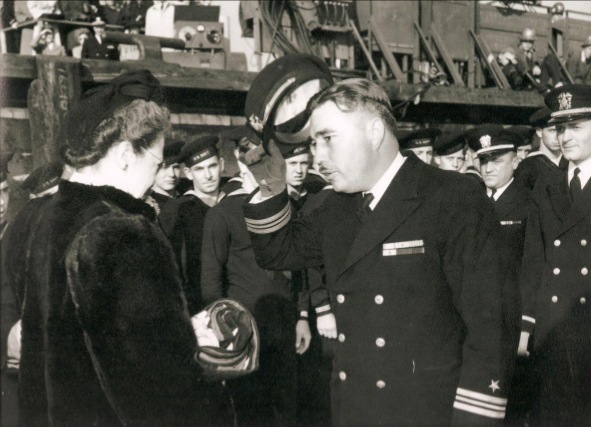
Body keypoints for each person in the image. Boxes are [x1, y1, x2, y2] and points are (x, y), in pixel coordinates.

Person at [241, 78, 508, 426]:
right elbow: (277, 253)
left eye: (328, 140)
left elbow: (491, 328)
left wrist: (475, 420)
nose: (316, 158)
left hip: (426, 413)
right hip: (354, 409)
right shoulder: (332, 207)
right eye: (313, 144)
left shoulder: (452, 197)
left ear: (375, 131)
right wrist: (271, 185)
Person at [17, 70, 231, 427]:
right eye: (158, 162)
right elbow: (164, 397)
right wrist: (195, 356)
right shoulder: (123, 232)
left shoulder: (50, 218)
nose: (159, 174)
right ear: (124, 155)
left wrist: (174, 330)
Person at [201, 145, 308, 426]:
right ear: (241, 165)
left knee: (287, 407)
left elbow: (300, 269)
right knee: (250, 409)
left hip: (284, 325)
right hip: (245, 330)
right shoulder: (221, 214)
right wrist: (226, 335)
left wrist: (303, 316)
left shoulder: (286, 207)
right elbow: (210, 282)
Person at [518, 84, 591, 427]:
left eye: (576, 127)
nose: (565, 137)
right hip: (552, 331)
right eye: (561, 128)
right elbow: (535, 260)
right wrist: (526, 326)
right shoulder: (545, 187)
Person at [160, 135, 224, 315]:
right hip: (197, 305)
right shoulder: (178, 211)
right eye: (199, 169)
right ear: (188, 173)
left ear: (222, 165)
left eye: (212, 166)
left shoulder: (232, 205)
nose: (208, 175)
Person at [514, 107, 569, 191]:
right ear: (539, 132)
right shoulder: (527, 166)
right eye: (552, 131)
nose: (557, 136)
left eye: (560, 130)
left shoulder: (569, 160)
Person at [147, 138, 183, 212]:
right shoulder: (147, 205)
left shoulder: (187, 198)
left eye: (176, 167)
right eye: (165, 168)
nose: (172, 174)